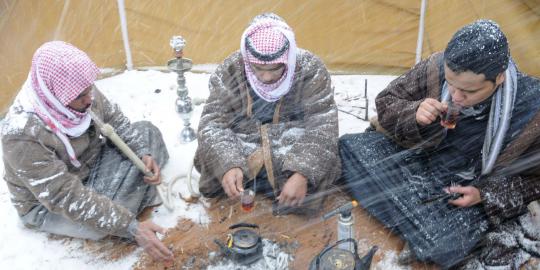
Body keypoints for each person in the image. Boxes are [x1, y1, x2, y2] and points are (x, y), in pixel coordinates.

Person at [339, 20, 540, 268]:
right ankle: (418, 227)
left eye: (467, 91)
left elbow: (536, 183)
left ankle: (414, 223)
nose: (455, 97)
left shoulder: (532, 110)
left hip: (467, 189)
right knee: (348, 147)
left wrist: (485, 195)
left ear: (498, 78)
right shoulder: (436, 67)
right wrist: (413, 113)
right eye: (450, 84)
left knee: (445, 248)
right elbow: (386, 103)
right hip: (419, 161)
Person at [1, 41, 173, 262]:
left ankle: (124, 200)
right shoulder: (21, 135)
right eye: (81, 96)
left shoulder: (78, 90)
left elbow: (114, 120)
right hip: (49, 205)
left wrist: (141, 153)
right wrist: (131, 227)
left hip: (92, 163)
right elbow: (64, 195)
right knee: (97, 225)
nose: (89, 99)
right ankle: (124, 206)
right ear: (55, 96)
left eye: (89, 90)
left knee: (148, 133)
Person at [194, 13, 340, 214]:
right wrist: (228, 164)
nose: (267, 76)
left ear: (287, 58)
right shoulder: (232, 69)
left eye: (275, 68)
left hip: (292, 142)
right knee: (212, 162)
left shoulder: (309, 68)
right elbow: (212, 123)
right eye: (258, 68)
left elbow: (324, 123)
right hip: (243, 140)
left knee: (318, 172)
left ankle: (280, 186)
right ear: (247, 60)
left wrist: (302, 173)